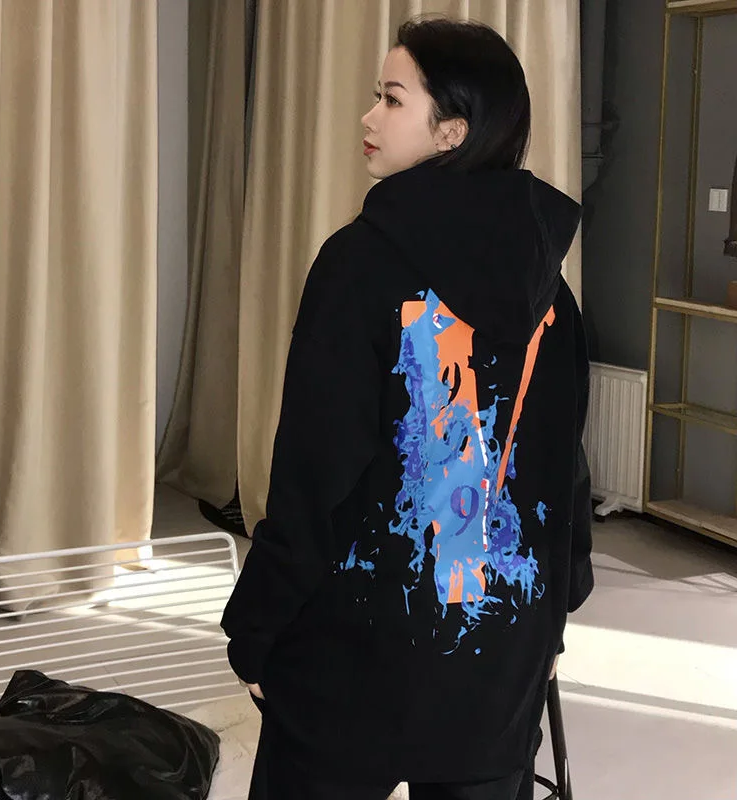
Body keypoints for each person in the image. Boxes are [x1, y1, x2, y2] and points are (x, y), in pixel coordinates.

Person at [221, 17, 593, 800]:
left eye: (392, 99)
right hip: (500, 645)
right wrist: (554, 616)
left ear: (452, 131)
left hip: (356, 648)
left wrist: (257, 626)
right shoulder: (550, 292)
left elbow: (315, 470)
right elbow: (560, 469)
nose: (368, 115)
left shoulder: (357, 266)